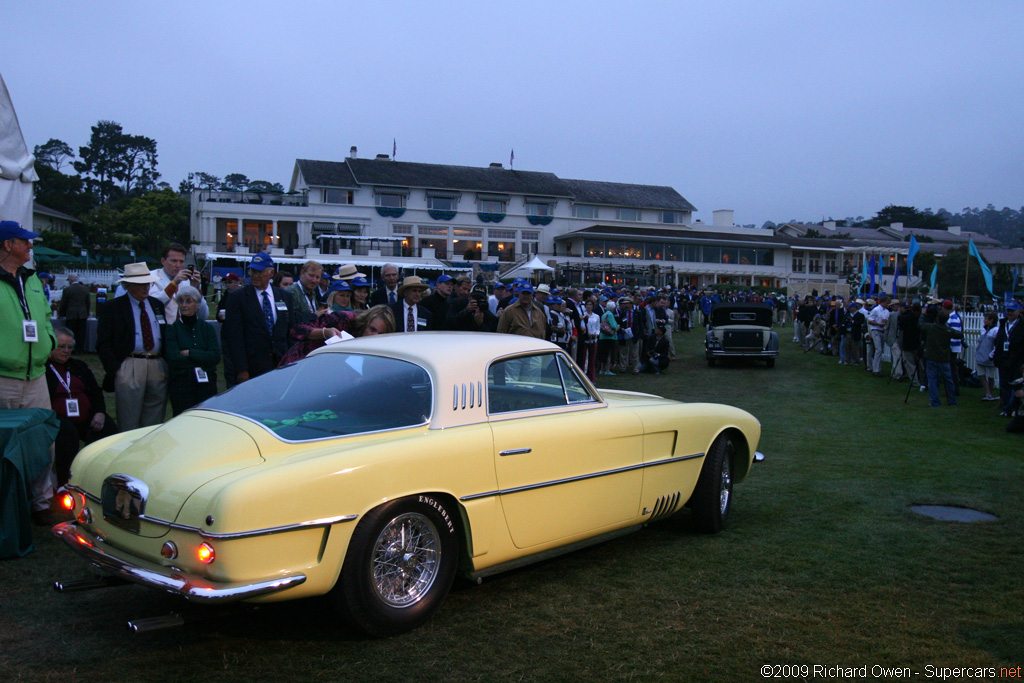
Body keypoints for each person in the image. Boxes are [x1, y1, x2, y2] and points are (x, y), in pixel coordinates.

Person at [0, 220, 60, 524]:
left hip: (36, 376)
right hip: (4, 377)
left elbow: (46, 316)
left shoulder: (33, 279)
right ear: (9, 245)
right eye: (25, 242)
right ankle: (9, 506)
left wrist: (48, 339)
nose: (30, 246)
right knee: (5, 445)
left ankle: (42, 501)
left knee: (42, 441)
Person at [95, 262, 168, 430]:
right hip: (130, 363)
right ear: (128, 286)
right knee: (129, 418)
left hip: (156, 362)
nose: (145, 288)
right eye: (140, 284)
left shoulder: (156, 305)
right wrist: (117, 369)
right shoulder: (112, 308)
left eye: (147, 284)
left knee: (155, 416)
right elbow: (103, 342)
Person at [45, 328, 118, 486]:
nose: (66, 351)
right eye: (61, 346)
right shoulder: (44, 368)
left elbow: (95, 392)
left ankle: (103, 477)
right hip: (59, 419)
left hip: (86, 417)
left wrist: (100, 412)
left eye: (69, 347)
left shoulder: (79, 366)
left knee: (109, 429)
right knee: (67, 434)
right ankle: (66, 482)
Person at [222, 253, 296, 383]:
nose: (255, 275)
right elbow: (234, 336)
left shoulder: (285, 296)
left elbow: (289, 330)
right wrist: (241, 369)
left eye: (260, 272)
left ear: (271, 273)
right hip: (252, 366)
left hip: (280, 363)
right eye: (253, 271)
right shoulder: (238, 297)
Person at [164, 285, 221, 415]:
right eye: (181, 301)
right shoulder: (173, 329)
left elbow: (215, 356)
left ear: (197, 304)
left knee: (206, 417)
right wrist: (203, 359)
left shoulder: (207, 328)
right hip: (181, 383)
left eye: (189, 301)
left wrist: (190, 353)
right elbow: (174, 359)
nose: (184, 305)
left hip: (206, 383)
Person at [120, 243, 208, 324]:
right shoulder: (150, 278)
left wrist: (196, 289)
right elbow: (152, 305)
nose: (178, 265)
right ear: (163, 261)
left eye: (181, 261)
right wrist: (174, 284)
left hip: (182, 331)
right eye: (173, 261)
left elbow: (204, 314)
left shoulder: (187, 282)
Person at [279, 305, 397, 365]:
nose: (374, 335)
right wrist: (325, 333)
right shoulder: (345, 319)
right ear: (366, 321)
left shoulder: (376, 345)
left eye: (380, 333)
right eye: (372, 329)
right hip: (301, 362)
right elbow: (297, 330)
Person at [920, 309, 963, 407]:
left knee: (932, 380)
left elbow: (920, 324)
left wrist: (923, 314)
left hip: (931, 357)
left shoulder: (931, 327)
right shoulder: (947, 330)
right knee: (948, 380)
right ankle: (952, 400)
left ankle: (935, 401)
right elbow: (960, 335)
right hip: (944, 358)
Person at [994, 301, 1024, 416]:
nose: (1010, 313)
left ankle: (1016, 409)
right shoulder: (1003, 324)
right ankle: (1006, 409)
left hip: (1017, 361)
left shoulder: (1021, 325)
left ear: (1019, 311)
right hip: (1003, 360)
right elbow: (998, 341)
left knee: (1016, 386)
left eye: (1012, 311)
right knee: (1004, 386)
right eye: (1008, 311)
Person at [58, 273, 91, 351]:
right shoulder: (85, 289)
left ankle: (71, 348)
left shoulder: (67, 290)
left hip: (71, 314)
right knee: (81, 333)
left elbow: (63, 303)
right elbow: (88, 303)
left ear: (70, 280)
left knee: (71, 333)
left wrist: (61, 314)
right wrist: (87, 313)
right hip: (82, 314)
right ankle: (80, 349)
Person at [975, 312, 999, 401]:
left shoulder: (995, 331)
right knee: (981, 374)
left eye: (986, 319)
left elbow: (996, 345)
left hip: (989, 357)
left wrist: (992, 354)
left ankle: (990, 393)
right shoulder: (984, 330)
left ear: (991, 320)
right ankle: (987, 392)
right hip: (981, 355)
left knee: (990, 376)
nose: (984, 320)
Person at [580, 299, 601, 381]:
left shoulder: (596, 316)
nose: (589, 306)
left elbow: (598, 327)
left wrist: (596, 334)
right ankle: (583, 375)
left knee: (592, 359)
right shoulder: (583, 315)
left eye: (590, 305)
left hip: (593, 338)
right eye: (587, 304)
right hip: (586, 338)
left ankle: (591, 377)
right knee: (584, 358)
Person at [598, 300, 619, 375]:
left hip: (602, 336)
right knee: (609, 354)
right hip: (610, 337)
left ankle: (601, 369)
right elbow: (613, 326)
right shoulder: (610, 315)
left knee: (603, 353)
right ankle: (607, 370)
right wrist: (617, 327)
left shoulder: (604, 315)